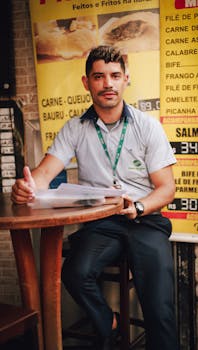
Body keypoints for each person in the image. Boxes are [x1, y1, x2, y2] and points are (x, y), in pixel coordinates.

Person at [11, 45, 179, 350]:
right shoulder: (74, 128)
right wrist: (25, 187)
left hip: (144, 220)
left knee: (159, 303)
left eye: (115, 76)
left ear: (126, 79)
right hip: (102, 222)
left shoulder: (147, 126)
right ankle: (110, 324)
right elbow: (44, 174)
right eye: (99, 76)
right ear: (86, 82)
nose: (108, 83)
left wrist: (139, 207)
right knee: (75, 273)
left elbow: (167, 188)